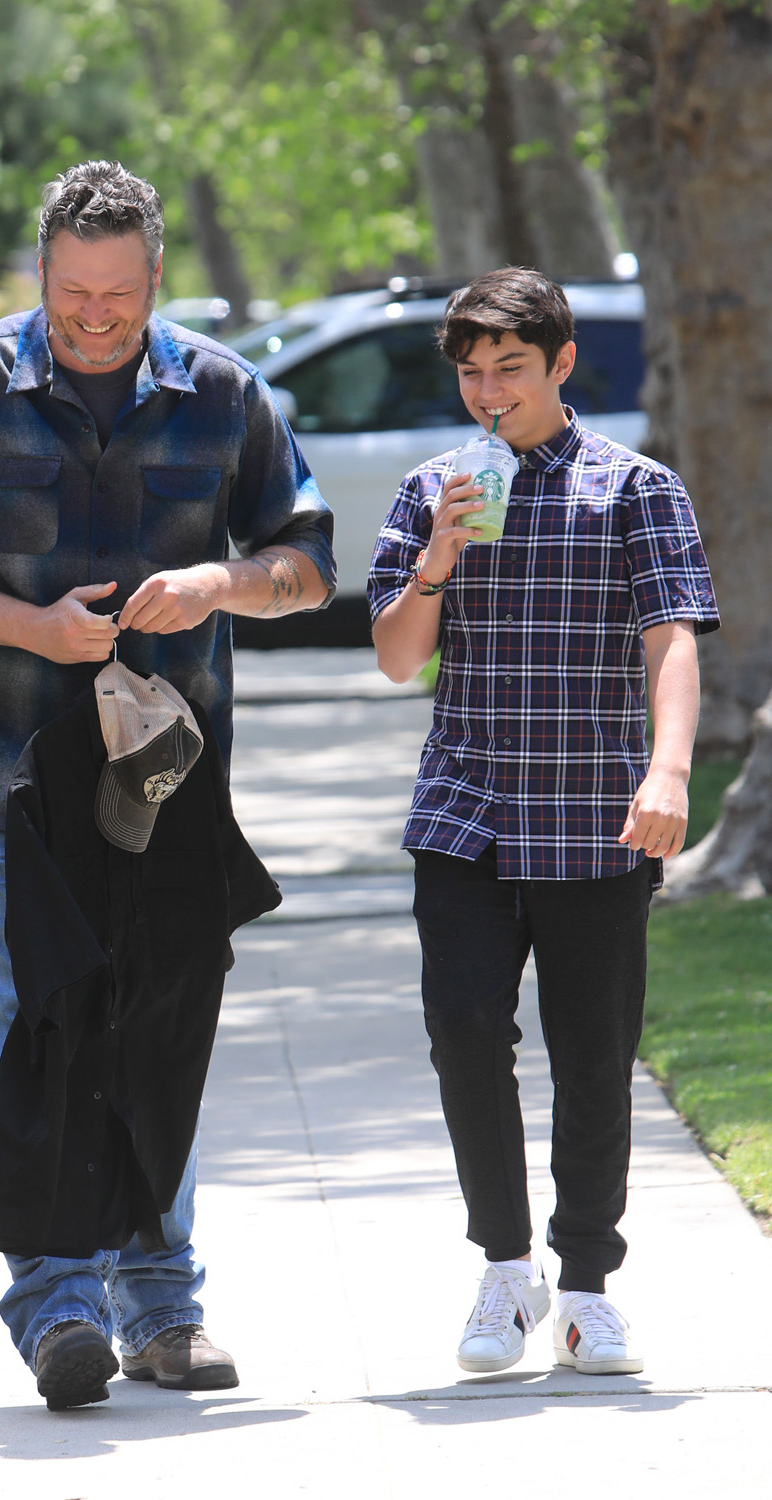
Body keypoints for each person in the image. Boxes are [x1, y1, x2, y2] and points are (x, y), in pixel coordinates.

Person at [0, 159, 335, 1409]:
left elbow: (311, 559)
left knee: (158, 1035)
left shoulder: (224, 393)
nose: (94, 317)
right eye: (74, 292)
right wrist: (32, 630)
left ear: (156, 278)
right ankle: (56, 1307)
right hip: (0, 779)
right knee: (28, 1034)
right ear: (41, 271)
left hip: (166, 795)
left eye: (118, 295)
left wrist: (219, 586)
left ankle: (163, 1307)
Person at [367, 267, 719, 1377]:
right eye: (472, 374)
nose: (488, 393)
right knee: (465, 1032)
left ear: (560, 366)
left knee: (594, 1057)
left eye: (508, 370)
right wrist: (435, 557)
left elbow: (672, 639)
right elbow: (394, 660)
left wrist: (667, 775)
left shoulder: (636, 489)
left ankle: (586, 1288)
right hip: (465, 807)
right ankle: (503, 1271)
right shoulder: (431, 489)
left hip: (596, 812)